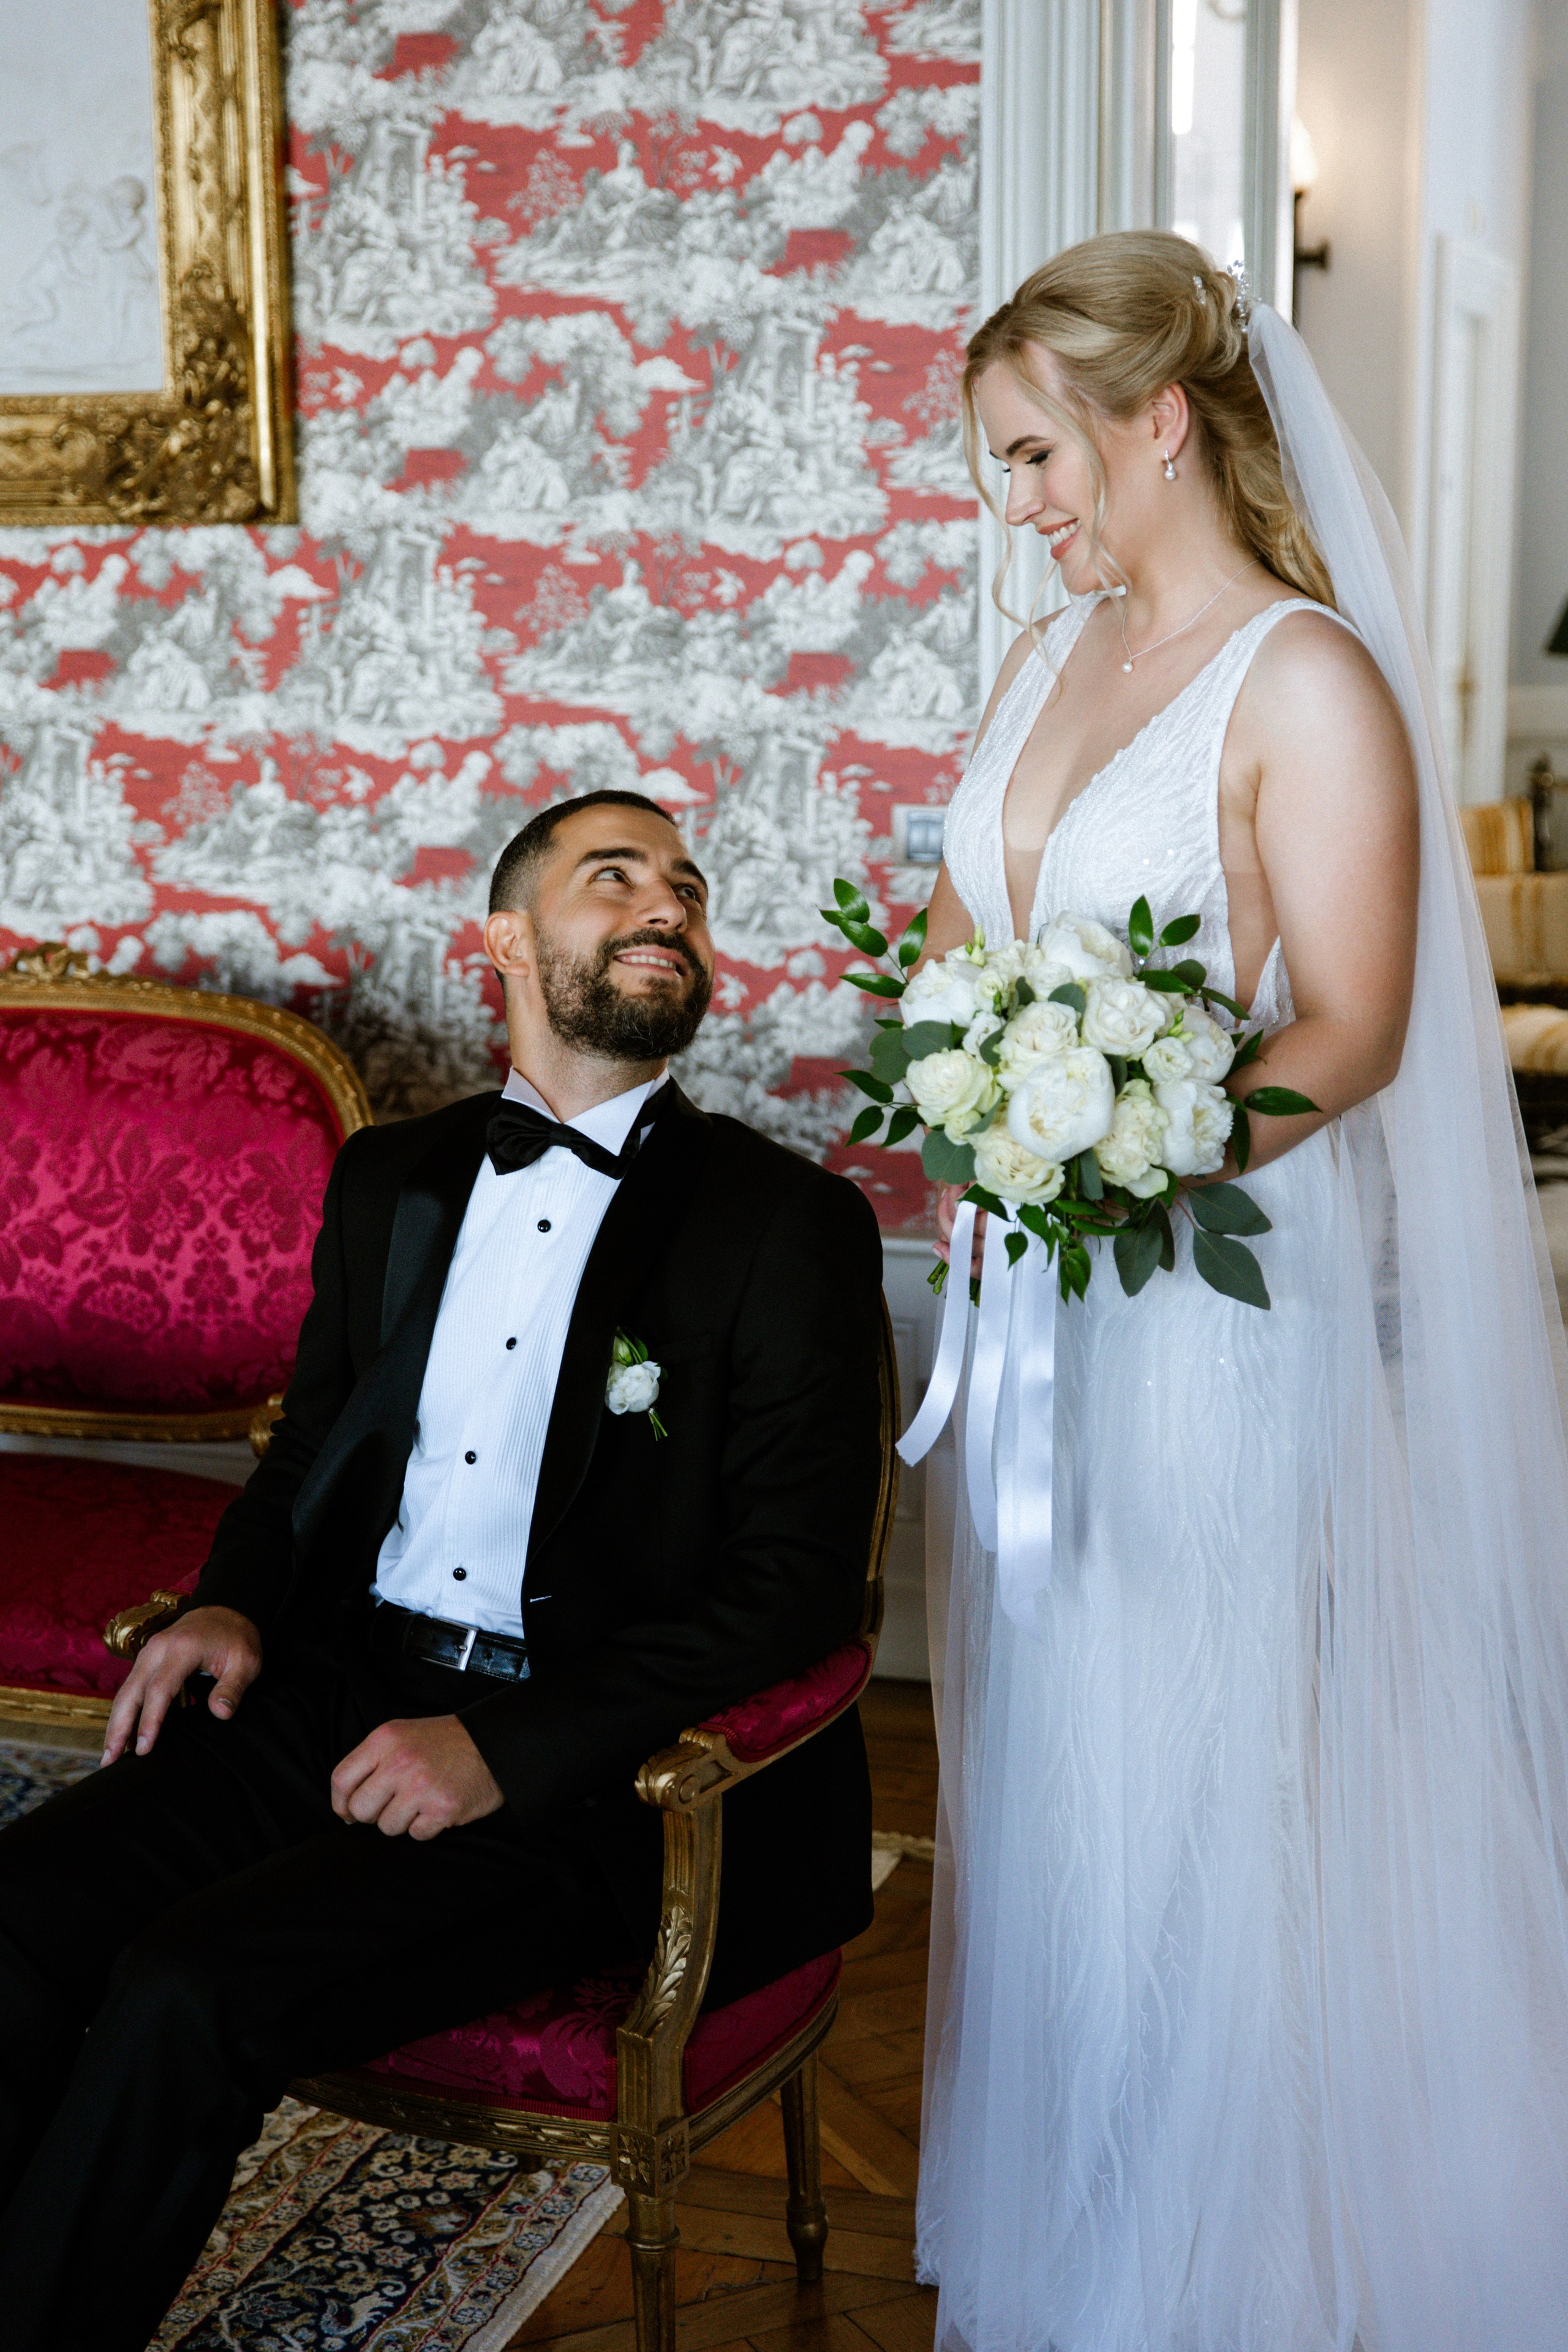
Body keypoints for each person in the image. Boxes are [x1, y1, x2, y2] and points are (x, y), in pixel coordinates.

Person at [913, 232, 1568, 2352]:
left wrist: (1125, 1149)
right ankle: (1108, 2203)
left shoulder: (1304, 680)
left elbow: (1354, 1026)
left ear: (1159, 421)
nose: (1016, 501)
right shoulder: (1044, 658)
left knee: (1205, 1773)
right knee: (1075, 1783)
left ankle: (1241, 2272)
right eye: (1001, 464)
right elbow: (962, 944)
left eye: (1035, 455)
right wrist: (964, 1097)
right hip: (1047, 1312)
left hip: (1209, 1315)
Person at [0, 789, 886, 2352]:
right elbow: (312, 1447)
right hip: (341, 1681)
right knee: (18, 1909)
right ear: (505, 942)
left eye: (686, 889)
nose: (667, 906)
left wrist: (506, 1749)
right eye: (613, 877)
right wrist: (231, 1597)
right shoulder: (392, 1179)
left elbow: (798, 1585)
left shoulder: (782, 1223)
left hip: (578, 1770)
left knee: (188, 1988)